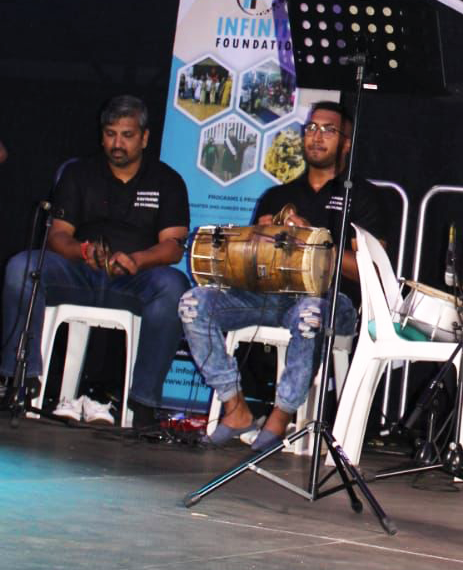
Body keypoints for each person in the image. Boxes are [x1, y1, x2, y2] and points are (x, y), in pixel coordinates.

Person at [179, 101, 384, 453]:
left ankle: (281, 415)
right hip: (268, 297)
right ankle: (234, 406)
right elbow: (250, 265)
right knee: (193, 304)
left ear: (346, 143)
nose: (317, 136)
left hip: (334, 301)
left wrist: (310, 242)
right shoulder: (278, 195)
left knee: (309, 313)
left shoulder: (362, 197)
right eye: (311, 128)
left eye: (328, 130)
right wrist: (256, 241)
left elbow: (373, 269)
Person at [0, 95, 190, 428]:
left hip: (136, 278)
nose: (118, 143)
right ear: (101, 136)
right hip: (79, 272)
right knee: (22, 267)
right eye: (110, 134)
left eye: (127, 135)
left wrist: (137, 260)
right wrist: (83, 251)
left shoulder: (167, 180)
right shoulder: (79, 173)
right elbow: (58, 235)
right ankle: (20, 379)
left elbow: (173, 247)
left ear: (144, 137)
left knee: (174, 287)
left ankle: (144, 402)